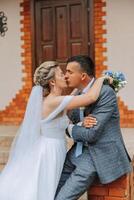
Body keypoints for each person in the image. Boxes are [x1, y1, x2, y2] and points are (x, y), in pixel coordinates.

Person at [0, 60, 111, 200]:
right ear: (52, 82)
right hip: (49, 151)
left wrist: (81, 122)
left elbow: (69, 103)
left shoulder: (56, 100)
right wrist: (100, 79)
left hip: (55, 148)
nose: (65, 76)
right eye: (60, 74)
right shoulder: (54, 101)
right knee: (42, 188)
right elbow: (90, 97)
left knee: (49, 188)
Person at [55, 55, 131, 200]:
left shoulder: (106, 93)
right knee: (50, 190)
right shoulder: (77, 94)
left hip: (98, 154)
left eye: (70, 72)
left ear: (82, 75)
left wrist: (70, 128)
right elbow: (65, 123)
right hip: (76, 152)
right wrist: (71, 126)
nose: (65, 75)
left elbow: (91, 134)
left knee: (62, 198)